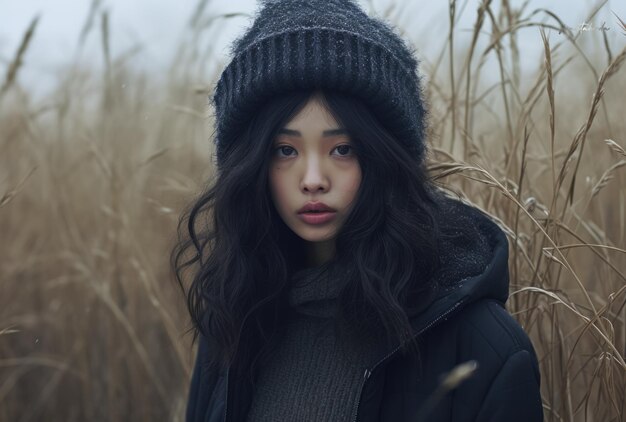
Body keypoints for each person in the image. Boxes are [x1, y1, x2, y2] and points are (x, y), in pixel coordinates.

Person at [172, 0, 544, 421]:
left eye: (342, 149)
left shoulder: (480, 345)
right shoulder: (235, 321)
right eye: (285, 150)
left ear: (386, 160)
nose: (313, 178)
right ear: (252, 164)